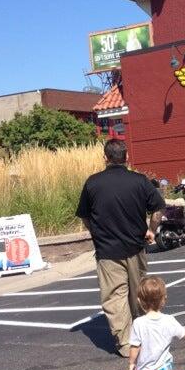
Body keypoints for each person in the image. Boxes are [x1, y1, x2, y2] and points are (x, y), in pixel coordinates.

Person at [76, 139, 165, 357]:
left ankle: (126, 344)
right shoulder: (140, 181)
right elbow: (158, 208)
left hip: (107, 252)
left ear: (105, 158)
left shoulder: (92, 183)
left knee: (115, 298)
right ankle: (145, 335)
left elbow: (85, 217)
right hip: (135, 247)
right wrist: (152, 230)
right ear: (126, 157)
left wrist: (96, 233)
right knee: (140, 294)